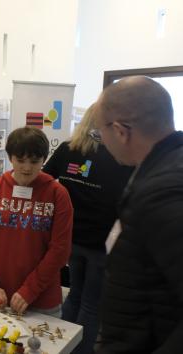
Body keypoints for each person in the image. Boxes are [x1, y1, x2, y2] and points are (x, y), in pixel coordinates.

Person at [91, 76, 183, 354]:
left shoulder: (164, 193)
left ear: (120, 131)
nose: (101, 142)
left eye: (99, 133)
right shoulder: (165, 169)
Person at [43, 107, 133, 354]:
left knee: (74, 294)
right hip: (103, 243)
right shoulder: (121, 158)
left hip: (71, 237)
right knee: (92, 303)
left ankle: (62, 347)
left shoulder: (67, 149)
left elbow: (44, 180)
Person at [0, 127, 73, 317]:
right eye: (20, 160)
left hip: (41, 299)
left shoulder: (57, 194)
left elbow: (60, 250)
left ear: (44, 159)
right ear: (10, 157)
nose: (27, 168)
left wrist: (30, 289)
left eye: (34, 162)